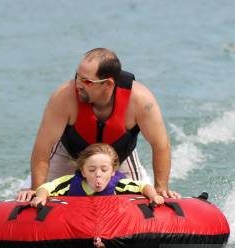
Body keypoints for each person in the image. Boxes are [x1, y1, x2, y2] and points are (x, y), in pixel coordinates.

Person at [17, 48, 179, 202]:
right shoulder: (63, 97)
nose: (78, 84)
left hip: (118, 158)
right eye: (77, 76)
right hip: (68, 153)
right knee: (36, 195)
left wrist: (160, 188)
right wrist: (36, 189)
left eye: (86, 81)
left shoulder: (140, 100)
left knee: (143, 199)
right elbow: (42, 147)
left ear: (108, 84)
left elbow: (160, 145)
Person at [30, 143, 164, 207]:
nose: (98, 174)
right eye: (92, 170)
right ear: (83, 172)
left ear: (112, 172)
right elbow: (47, 188)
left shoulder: (119, 184)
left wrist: (153, 196)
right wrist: (40, 197)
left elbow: (143, 186)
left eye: (104, 170)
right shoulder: (70, 183)